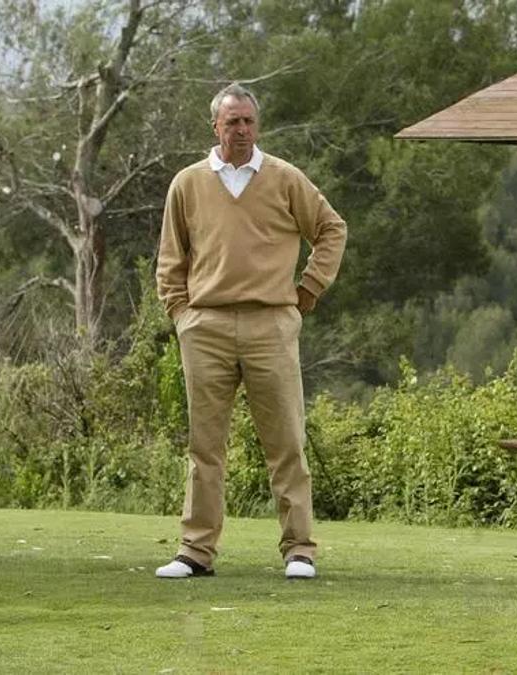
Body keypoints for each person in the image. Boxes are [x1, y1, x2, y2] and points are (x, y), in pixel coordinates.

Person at [154, 83, 347, 580]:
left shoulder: (284, 178)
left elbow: (331, 229)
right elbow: (171, 257)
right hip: (206, 325)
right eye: (232, 121)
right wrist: (181, 313)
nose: (241, 130)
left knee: (286, 442)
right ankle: (195, 552)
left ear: (256, 126)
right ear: (214, 126)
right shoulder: (188, 183)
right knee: (205, 446)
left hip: (270, 323)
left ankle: (299, 550)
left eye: (249, 122)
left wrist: (306, 294)